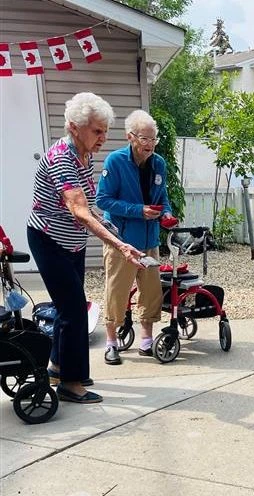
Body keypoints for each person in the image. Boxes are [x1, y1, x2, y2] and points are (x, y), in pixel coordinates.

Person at [27, 92, 144, 404]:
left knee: (70, 307)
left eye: (105, 131)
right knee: (75, 310)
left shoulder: (84, 154)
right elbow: (79, 209)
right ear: (73, 127)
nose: (103, 138)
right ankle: (71, 383)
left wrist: (108, 227)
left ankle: (58, 366)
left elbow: (88, 207)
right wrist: (119, 245)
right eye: (97, 131)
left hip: (72, 241)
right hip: (49, 239)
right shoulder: (61, 159)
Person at [96, 110, 174, 364]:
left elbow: (162, 198)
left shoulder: (159, 163)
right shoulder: (115, 161)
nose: (150, 144)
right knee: (116, 292)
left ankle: (146, 340)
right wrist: (139, 211)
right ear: (130, 137)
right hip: (122, 241)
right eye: (145, 139)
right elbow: (103, 200)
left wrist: (167, 215)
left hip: (150, 241)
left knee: (151, 291)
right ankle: (111, 342)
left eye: (154, 139)